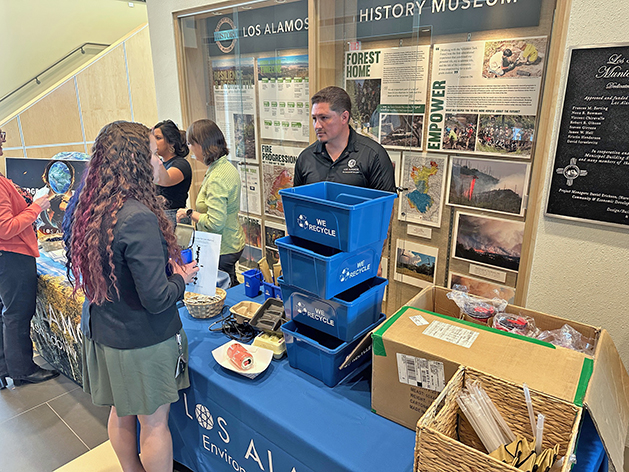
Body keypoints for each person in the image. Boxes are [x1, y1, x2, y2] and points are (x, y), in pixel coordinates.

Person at [66, 121, 199, 471]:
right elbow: (157, 298)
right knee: (153, 424)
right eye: (153, 155)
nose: (159, 162)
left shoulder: (93, 206)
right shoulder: (137, 216)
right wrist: (181, 278)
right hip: (140, 340)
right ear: (136, 162)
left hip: (105, 331)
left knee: (120, 412)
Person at [0, 128, 60, 389]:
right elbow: (6, 228)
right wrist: (36, 207)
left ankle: (5, 367)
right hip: (12, 255)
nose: (3, 143)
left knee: (6, 313)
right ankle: (22, 370)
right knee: (17, 314)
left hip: (7, 255)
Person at [176, 119, 245, 288]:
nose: (190, 149)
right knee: (231, 285)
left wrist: (190, 213)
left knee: (221, 293)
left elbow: (215, 223)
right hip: (231, 241)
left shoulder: (217, 177)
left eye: (191, 144)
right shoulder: (224, 167)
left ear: (202, 145)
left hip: (222, 248)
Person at [293, 86, 396, 193]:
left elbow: (385, 202)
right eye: (314, 119)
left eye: (324, 118)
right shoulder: (305, 158)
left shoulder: (373, 155)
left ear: (344, 117)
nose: (317, 126)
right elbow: (296, 201)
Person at [150, 120, 192, 226]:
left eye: (158, 138)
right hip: (161, 215)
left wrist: (152, 153)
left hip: (174, 217)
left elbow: (164, 180)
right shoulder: (162, 162)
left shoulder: (181, 164)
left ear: (171, 142)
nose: (154, 141)